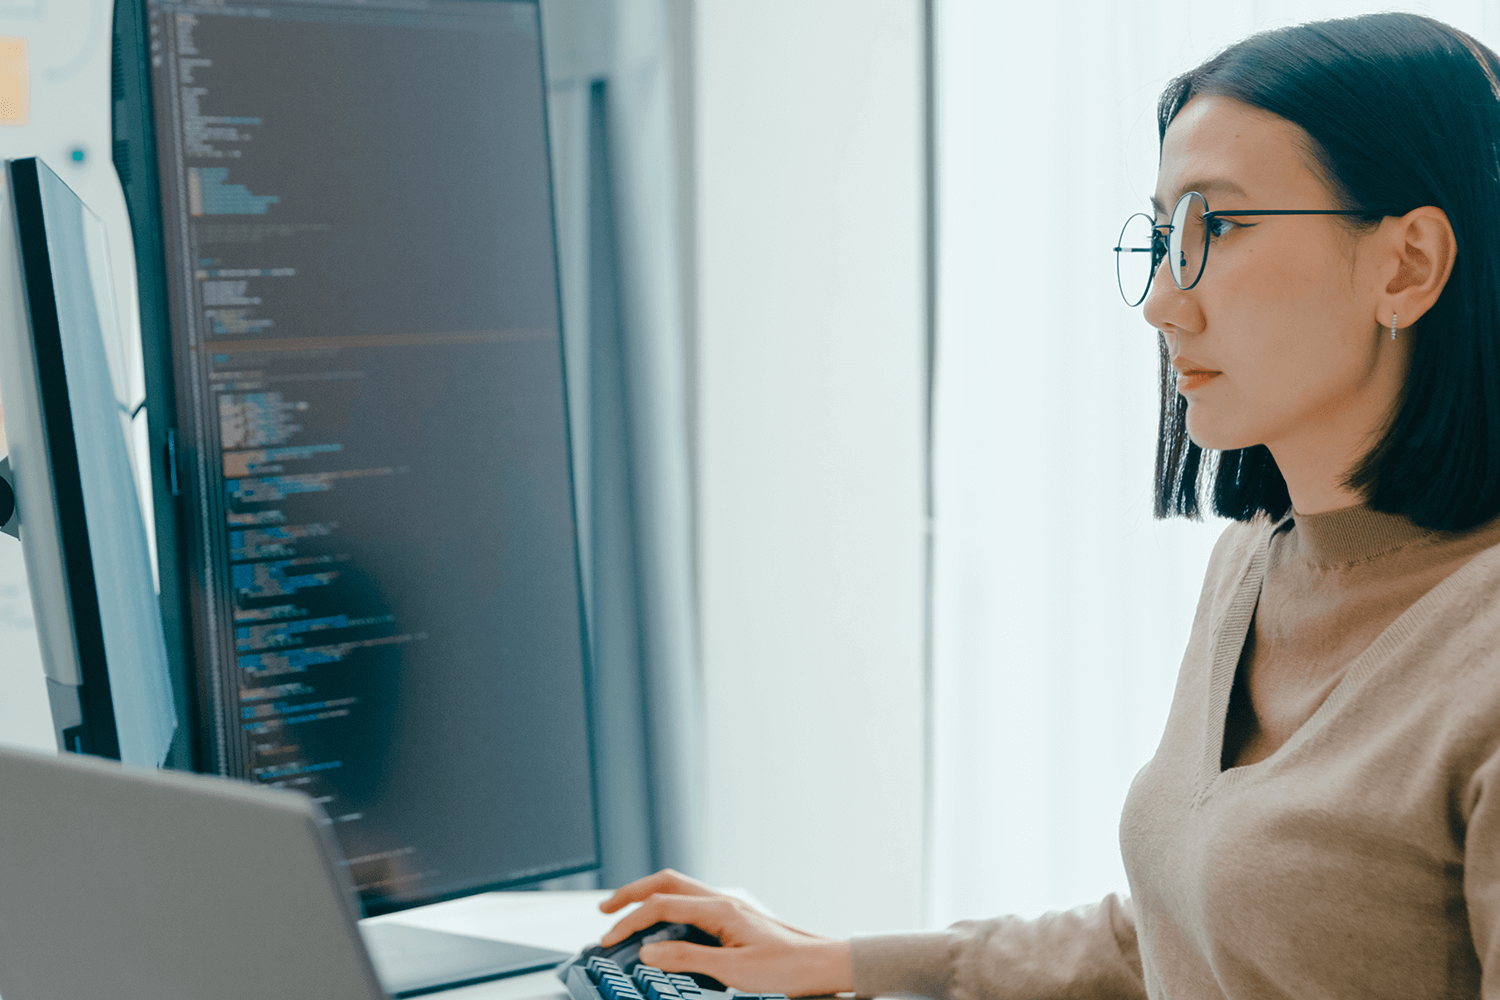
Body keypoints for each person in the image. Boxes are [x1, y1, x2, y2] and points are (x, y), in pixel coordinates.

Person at [596, 12, 1500, 999]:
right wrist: (847, 961)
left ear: (1407, 264)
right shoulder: (1256, 562)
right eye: (1163, 235)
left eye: (1221, 226)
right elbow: (1195, 929)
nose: (1163, 299)